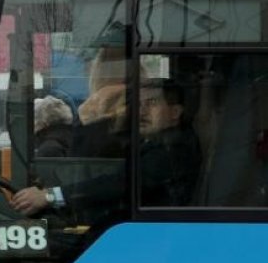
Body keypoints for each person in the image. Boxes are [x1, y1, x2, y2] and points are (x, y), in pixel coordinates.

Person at [12, 78, 201, 216]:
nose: (141, 111)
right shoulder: (152, 142)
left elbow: (118, 183)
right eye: (138, 104)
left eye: (152, 103)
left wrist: (49, 196)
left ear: (175, 112)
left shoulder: (174, 149)